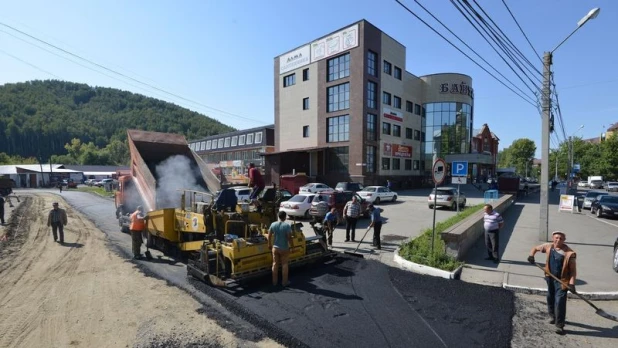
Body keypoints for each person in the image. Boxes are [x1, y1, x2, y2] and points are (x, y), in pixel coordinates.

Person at [528, 231, 577, 335]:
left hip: (562, 281)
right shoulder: (548, 247)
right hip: (550, 277)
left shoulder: (569, 253)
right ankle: (552, 316)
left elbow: (573, 271)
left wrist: (572, 284)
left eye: (560, 238)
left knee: (560, 301)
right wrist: (531, 256)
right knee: (550, 297)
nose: (558, 240)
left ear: (564, 240)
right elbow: (535, 248)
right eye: (556, 238)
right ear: (553, 238)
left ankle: (559, 325)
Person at [268, 211, 293, 287]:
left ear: (278, 216)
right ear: (285, 217)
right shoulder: (287, 226)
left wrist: (269, 244)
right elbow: (289, 238)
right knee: (284, 264)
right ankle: (284, 282)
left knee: (275, 264)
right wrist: (292, 246)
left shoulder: (273, 224)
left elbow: (269, 236)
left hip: (275, 248)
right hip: (284, 248)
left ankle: (274, 282)